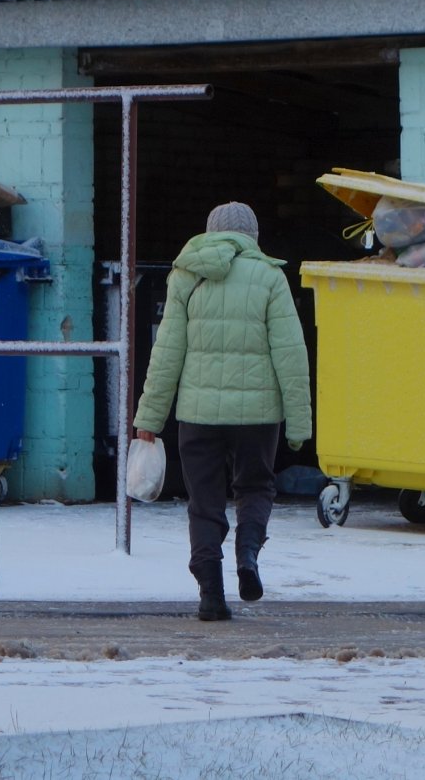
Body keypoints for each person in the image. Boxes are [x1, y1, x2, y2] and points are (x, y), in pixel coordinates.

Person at [133, 201, 312, 621]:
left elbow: (166, 354)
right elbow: (291, 355)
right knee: (254, 487)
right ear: (252, 237)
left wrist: (149, 419)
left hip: (198, 415)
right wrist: (299, 423)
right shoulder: (270, 277)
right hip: (258, 416)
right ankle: (247, 555)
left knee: (204, 502)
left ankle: (211, 594)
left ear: (209, 233)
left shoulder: (185, 277)